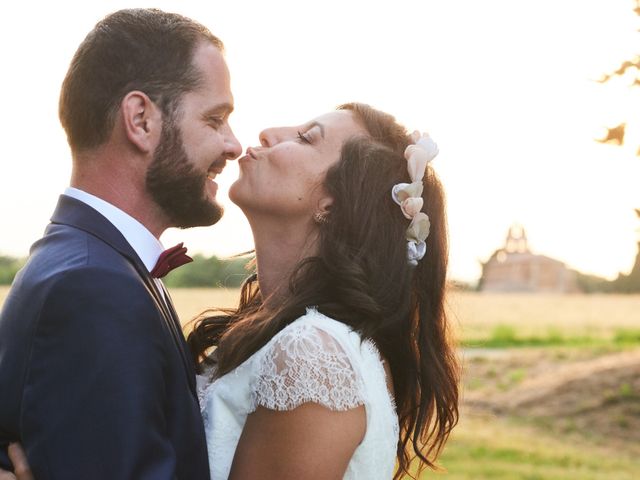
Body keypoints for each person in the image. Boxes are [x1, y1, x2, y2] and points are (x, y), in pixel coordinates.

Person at [0, 8, 241, 479]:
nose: (233, 145)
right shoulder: (93, 288)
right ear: (140, 120)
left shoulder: (101, 265)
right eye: (215, 119)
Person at [188, 103, 460, 479]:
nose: (268, 132)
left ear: (332, 204)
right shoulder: (289, 336)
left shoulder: (315, 355)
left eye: (305, 138)